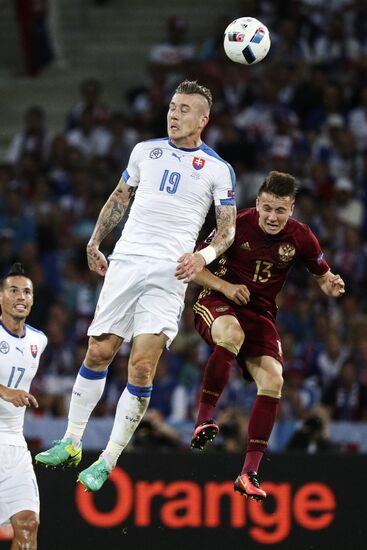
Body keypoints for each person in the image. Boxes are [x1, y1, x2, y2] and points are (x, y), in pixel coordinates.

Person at [35, 80, 237, 492]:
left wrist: (204, 258)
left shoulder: (218, 169)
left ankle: (107, 460)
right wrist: (94, 241)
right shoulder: (145, 151)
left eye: (184, 109)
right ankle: (72, 441)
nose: (174, 114)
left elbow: (227, 231)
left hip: (169, 273)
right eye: (172, 107)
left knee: (141, 365)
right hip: (126, 261)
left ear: (203, 119)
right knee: (99, 350)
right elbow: (119, 197)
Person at [191, 171, 345, 501]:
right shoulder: (234, 225)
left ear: (291, 209)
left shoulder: (301, 237)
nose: (273, 217)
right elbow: (195, 267)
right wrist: (226, 287)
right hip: (217, 299)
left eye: (281, 210)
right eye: (268, 208)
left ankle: (248, 473)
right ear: (258, 203)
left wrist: (330, 284)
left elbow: (323, 274)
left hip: (259, 314)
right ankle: (204, 420)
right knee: (230, 334)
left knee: (274, 380)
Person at [0, 263, 48, 549]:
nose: (21, 296)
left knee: (28, 525)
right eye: (14, 290)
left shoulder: (38, 340)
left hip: (14, 444)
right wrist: (4, 391)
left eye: (27, 292)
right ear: (1, 297)